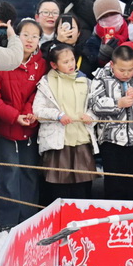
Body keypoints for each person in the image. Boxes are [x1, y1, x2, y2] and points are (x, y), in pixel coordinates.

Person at [0, 18, 46, 228]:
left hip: (30, 127)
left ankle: (29, 224)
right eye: (25, 35)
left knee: (29, 175)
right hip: (5, 128)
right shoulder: (2, 60)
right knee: (9, 175)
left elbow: (39, 93)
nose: (29, 40)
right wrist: (14, 116)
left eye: (34, 36)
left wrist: (27, 114)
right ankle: (7, 225)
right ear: (16, 37)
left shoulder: (40, 64)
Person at [88, 45, 133, 199]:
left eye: (130, 69)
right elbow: (94, 104)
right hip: (111, 140)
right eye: (122, 70)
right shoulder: (101, 77)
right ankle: (113, 219)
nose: (126, 74)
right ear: (112, 65)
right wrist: (117, 104)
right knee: (114, 185)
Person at [33, 43, 98, 202]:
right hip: (58, 142)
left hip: (81, 139)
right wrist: (58, 115)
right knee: (59, 189)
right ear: (54, 65)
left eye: (72, 60)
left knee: (82, 188)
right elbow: (37, 110)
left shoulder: (86, 81)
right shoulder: (46, 82)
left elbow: (95, 106)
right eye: (65, 62)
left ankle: (82, 223)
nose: (71, 64)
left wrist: (90, 116)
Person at [82, 0, 133, 70]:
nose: (110, 19)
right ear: (98, 20)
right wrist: (103, 56)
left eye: (113, 14)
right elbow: (91, 69)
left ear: (120, 13)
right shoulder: (93, 41)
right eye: (104, 17)